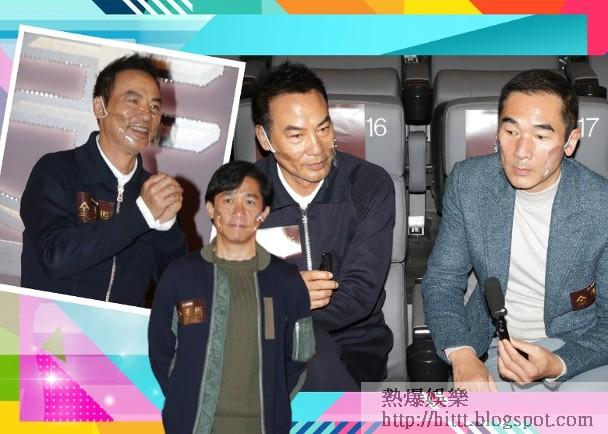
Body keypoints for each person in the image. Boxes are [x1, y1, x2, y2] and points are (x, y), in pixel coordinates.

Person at [422, 69, 608, 391]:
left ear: (570, 142)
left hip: (579, 348)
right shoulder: (470, 184)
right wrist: (462, 354)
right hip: (496, 347)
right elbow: (442, 280)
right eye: (510, 131)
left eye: (541, 137)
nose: (521, 152)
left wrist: (558, 362)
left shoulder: (600, 205)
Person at [252, 62, 395, 390]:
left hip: (353, 344)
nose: (317, 149)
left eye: (323, 129)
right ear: (265, 138)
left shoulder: (369, 185)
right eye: (297, 136)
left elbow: (359, 295)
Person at [148, 161, 313, 434]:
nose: (238, 212)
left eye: (250, 202)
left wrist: (273, 402)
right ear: (211, 209)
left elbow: (300, 354)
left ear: (263, 213)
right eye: (228, 200)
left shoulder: (286, 280)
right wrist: (184, 398)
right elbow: (160, 349)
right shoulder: (180, 275)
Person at [20, 53, 186, 306]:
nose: (146, 115)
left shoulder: (153, 193)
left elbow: (177, 288)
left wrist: (168, 228)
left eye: (154, 107)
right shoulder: (56, 170)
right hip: (51, 325)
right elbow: (55, 257)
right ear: (100, 107)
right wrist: (141, 214)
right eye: (133, 101)